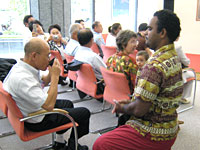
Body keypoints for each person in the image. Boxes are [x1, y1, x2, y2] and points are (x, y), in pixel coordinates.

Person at [93, 9, 183, 150]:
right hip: (171, 127)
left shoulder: (153, 67)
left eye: (150, 28)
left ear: (162, 33)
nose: (146, 33)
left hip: (154, 132)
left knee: (100, 144)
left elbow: (140, 110)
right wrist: (132, 102)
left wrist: (123, 107)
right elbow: (154, 98)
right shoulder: (174, 58)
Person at [3, 38, 90, 150]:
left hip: (32, 109)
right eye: (47, 56)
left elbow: (43, 81)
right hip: (37, 120)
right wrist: (55, 77)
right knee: (84, 113)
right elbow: (48, 106)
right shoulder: (22, 79)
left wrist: (50, 73)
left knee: (68, 104)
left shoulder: (22, 68)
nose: (49, 59)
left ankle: (59, 142)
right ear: (34, 56)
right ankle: (73, 146)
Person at [75, 28, 106, 100]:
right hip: (99, 85)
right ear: (92, 40)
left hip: (85, 83)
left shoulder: (77, 53)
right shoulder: (93, 57)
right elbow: (105, 71)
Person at [106, 30, 138, 94]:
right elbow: (136, 84)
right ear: (123, 44)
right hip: (129, 95)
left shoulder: (111, 58)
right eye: (132, 42)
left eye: (136, 41)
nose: (135, 45)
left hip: (115, 92)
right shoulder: (130, 62)